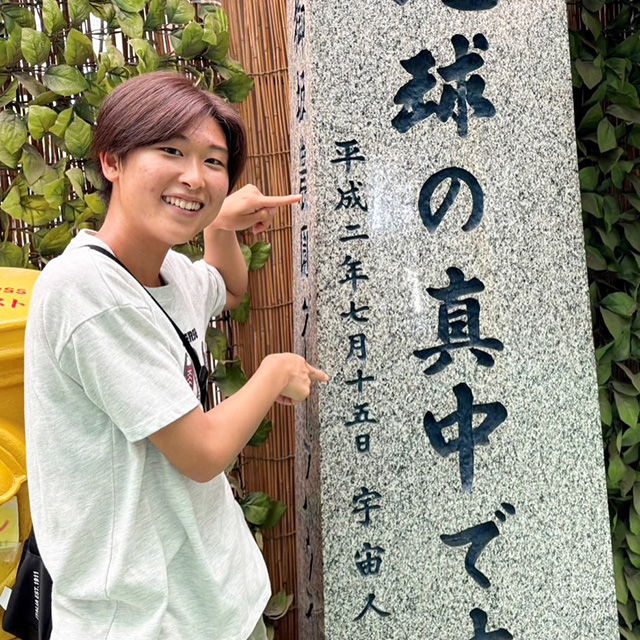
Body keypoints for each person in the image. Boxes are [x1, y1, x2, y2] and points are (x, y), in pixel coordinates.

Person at [23, 71, 327, 640]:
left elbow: (226, 286)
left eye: (214, 162)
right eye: (170, 151)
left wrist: (222, 225)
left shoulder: (167, 271)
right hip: (144, 620)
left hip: (218, 597)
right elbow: (202, 453)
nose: (195, 176)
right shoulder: (85, 290)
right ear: (112, 160)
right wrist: (275, 372)